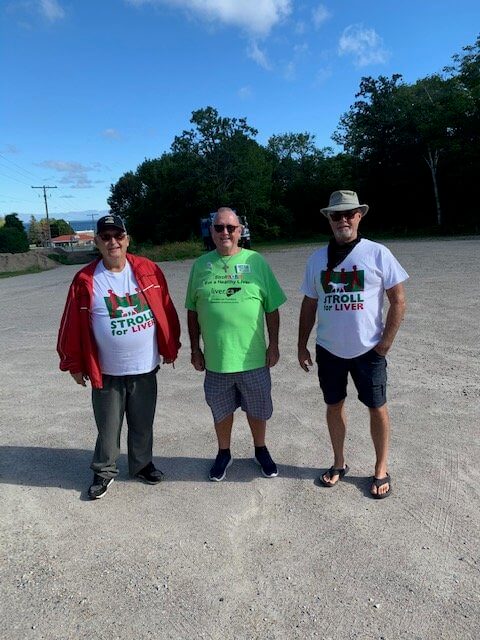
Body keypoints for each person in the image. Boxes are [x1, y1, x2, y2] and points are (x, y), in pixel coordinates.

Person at [57, 214, 181, 499]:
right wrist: (74, 363)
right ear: (98, 242)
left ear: (127, 239)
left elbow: (165, 308)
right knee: (108, 426)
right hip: (107, 370)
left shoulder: (148, 269)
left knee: (142, 422)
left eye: (118, 236)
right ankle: (103, 470)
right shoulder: (85, 279)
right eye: (106, 237)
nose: (113, 242)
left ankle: (141, 464)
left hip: (144, 367)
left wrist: (170, 344)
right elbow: (71, 325)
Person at [297, 190, 408, 499]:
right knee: (334, 405)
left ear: (360, 215)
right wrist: (301, 344)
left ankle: (380, 468)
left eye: (349, 213)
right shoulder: (317, 259)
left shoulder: (377, 253)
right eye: (336, 215)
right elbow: (309, 304)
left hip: (369, 350)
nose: (343, 219)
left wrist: (384, 344)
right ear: (329, 219)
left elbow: (398, 300)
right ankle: (338, 462)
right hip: (329, 349)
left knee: (377, 407)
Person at [185, 207, 286, 481]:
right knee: (221, 410)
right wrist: (195, 349)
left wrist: (273, 344)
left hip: (253, 357)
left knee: (257, 408)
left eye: (231, 227)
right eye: (219, 227)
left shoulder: (257, 262)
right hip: (217, 360)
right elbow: (192, 311)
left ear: (240, 231)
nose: (225, 232)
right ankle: (224, 452)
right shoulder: (200, 265)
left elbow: (272, 308)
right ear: (211, 231)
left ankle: (260, 449)